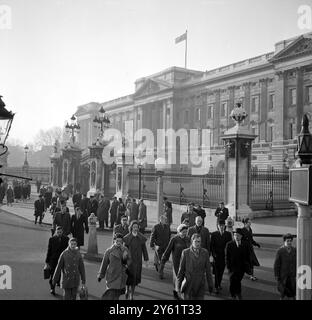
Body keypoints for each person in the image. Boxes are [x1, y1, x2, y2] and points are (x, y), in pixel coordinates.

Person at [176, 233, 213, 300]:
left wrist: (210, 284)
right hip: (188, 284)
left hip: (200, 284)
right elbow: (181, 270)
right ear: (192, 241)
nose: (197, 243)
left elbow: (208, 271)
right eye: (195, 241)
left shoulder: (205, 252)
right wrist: (178, 286)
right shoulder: (185, 252)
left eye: (199, 241)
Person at [159, 224, 190, 299]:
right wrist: (163, 261)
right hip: (176, 262)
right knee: (177, 277)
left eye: (186, 232)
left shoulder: (188, 239)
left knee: (185, 278)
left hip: (186, 262)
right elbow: (168, 251)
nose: (184, 233)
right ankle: (176, 293)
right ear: (179, 231)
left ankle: (181, 293)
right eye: (183, 232)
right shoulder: (174, 239)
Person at [98, 233, 131, 300]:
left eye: (120, 241)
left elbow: (129, 261)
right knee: (110, 293)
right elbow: (104, 263)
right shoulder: (109, 251)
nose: (119, 243)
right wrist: (101, 275)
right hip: (112, 275)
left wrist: (126, 263)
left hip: (121, 275)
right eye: (117, 241)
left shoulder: (125, 250)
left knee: (117, 294)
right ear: (114, 241)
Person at [123, 220, 149, 300]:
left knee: (134, 278)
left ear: (138, 228)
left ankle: (132, 295)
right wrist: (123, 260)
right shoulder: (127, 238)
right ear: (131, 228)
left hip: (138, 261)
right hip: (129, 261)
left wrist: (146, 259)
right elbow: (124, 250)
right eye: (134, 227)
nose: (135, 229)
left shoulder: (141, 237)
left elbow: (144, 249)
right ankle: (127, 289)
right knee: (128, 277)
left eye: (136, 227)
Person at [225, 228, 251, 300]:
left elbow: (248, 255)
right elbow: (227, 257)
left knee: (238, 281)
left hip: (241, 268)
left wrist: (248, 266)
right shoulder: (229, 244)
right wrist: (228, 267)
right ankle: (234, 294)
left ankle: (237, 292)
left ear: (241, 236)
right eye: (235, 235)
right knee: (232, 281)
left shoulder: (245, 244)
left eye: (238, 235)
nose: (236, 237)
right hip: (232, 268)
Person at [45, 226, 69, 295]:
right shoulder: (52, 239)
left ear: (62, 232)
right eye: (58, 232)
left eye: (60, 232)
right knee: (53, 274)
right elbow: (49, 250)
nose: (59, 234)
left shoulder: (66, 239)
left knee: (61, 273)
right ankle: (52, 288)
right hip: (53, 260)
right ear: (55, 232)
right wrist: (47, 261)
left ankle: (58, 281)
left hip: (63, 259)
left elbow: (67, 250)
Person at [210, 220, 232, 294]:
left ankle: (218, 284)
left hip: (224, 257)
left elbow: (230, 246)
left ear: (224, 226)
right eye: (220, 225)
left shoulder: (228, 234)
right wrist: (213, 255)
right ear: (218, 226)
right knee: (216, 272)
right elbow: (211, 246)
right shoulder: (214, 234)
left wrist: (229, 256)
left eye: (223, 225)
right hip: (216, 256)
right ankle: (216, 286)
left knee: (221, 272)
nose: (221, 227)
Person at [274, 233, 296, 300]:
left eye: (290, 241)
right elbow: (276, 264)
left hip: (292, 275)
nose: (289, 242)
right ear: (284, 241)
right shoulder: (280, 251)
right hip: (283, 276)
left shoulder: (294, 250)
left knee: (293, 292)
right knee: (283, 293)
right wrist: (277, 275)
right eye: (287, 241)